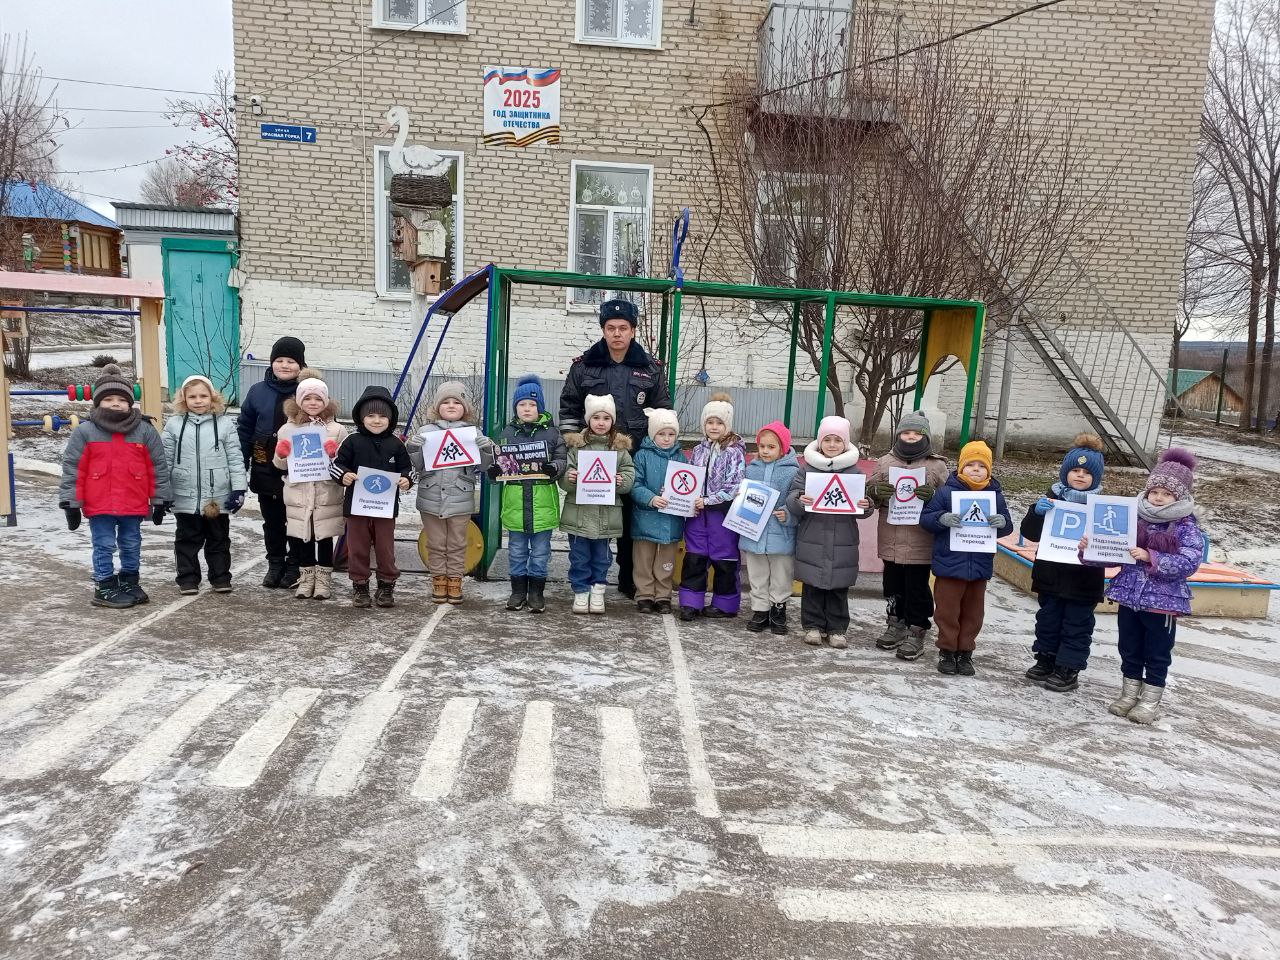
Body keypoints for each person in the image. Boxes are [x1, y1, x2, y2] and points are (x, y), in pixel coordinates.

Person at [1081, 448, 1205, 725]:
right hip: (1129, 596)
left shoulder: (1185, 527)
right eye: (1154, 492)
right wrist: (1090, 549)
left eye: (1167, 494)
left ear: (1179, 497)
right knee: (1129, 647)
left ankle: (1150, 701)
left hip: (1163, 602)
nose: (1159, 498)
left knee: (1157, 652)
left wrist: (1152, 556)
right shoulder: (1133, 519)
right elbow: (1112, 553)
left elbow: (1190, 561)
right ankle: (1129, 694)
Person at [559, 298, 671, 599]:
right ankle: (588, 580)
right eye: (611, 328)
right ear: (603, 330)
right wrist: (574, 447)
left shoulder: (650, 369)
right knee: (592, 516)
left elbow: (662, 412)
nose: (617, 333)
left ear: (633, 331)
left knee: (632, 516)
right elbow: (569, 408)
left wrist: (652, 453)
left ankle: (629, 578)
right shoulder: (584, 367)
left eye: (623, 328)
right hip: (591, 457)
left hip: (634, 457)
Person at [58, 363, 171, 608]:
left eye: (121, 399)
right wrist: (70, 502)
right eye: (108, 399)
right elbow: (73, 468)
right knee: (104, 544)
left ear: (130, 403)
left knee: (132, 543)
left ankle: (129, 580)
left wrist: (160, 499)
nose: (115, 403)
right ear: (98, 403)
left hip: (133, 503)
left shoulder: (144, 430)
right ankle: (104, 585)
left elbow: (157, 466)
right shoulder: (85, 432)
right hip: (100, 505)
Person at [1020, 433, 1107, 692]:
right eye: (1075, 470)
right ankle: (1046, 658)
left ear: (1096, 478)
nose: (1080, 475)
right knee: (1048, 619)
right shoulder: (1050, 499)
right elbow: (1030, 533)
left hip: (1084, 580)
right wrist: (1037, 514)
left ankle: (1068, 668)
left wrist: (1094, 544)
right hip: (1051, 575)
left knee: (1077, 625)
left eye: (1087, 472)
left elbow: (1111, 545)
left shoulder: (1103, 507)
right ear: (1065, 472)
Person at [920, 440, 1012, 676]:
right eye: (970, 464)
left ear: (989, 471)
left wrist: (1002, 523)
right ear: (961, 467)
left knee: (973, 613)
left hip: (979, 567)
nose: (976, 469)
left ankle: (966, 652)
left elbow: (1007, 525)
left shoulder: (995, 496)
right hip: (949, 565)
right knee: (947, 611)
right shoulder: (945, 492)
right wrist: (942, 518)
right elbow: (926, 518)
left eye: (981, 466)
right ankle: (947, 651)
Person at [866, 410, 949, 660]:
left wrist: (934, 498)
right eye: (906, 432)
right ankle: (895, 622)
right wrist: (875, 491)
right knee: (892, 584)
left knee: (916, 587)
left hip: (920, 539)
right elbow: (868, 494)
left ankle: (917, 628)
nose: (910, 437)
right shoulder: (885, 462)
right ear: (898, 434)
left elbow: (950, 500)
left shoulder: (937, 465)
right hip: (890, 536)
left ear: (926, 436)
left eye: (916, 433)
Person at [785, 416, 871, 648]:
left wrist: (866, 506)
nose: (832, 445)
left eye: (837, 440)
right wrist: (799, 500)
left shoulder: (853, 473)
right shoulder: (806, 470)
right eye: (827, 440)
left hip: (843, 540)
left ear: (845, 444)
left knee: (838, 589)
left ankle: (837, 628)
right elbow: (792, 498)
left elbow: (861, 509)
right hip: (812, 538)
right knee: (812, 587)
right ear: (820, 442)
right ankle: (812, 626)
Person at [408, 381, 494, 605]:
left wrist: (487, 450)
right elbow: (417, 465)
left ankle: (455, 580)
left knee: (457, 543)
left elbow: (483, 467)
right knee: (435, 542)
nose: (451, 405)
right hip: (430, 496)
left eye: (457, 401)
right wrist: (413, 449)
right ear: (437, 406)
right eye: (446, 401)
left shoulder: (472, 433)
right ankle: (438, 579)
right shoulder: (425, 432)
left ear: (466, 407)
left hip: (460, 497)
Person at [162, 374, 247, 595]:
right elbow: (164, 460)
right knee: (187, 540)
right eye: (192, 396)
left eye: (203, 395)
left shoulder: (225, 424)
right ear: (184, 399)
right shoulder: (173, 425)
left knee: (218, 540)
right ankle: (188, 578)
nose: (198, 400)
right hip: (184, 494)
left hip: (216, 497)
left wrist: (238, 488)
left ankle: (220, 577)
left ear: (212, 397)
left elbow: (236, 458)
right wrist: (163, 491)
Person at [332, 386, 414, 609]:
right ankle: (360, 585)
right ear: (361, 417)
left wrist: (407, 480)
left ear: (391, 419)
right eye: (371, 415)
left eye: (382, 416)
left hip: (385, 508)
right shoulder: (351, 441)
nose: (376, 421)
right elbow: (336, 464)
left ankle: (386, 584)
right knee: (357, 546)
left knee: (385, 548)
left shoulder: (396, 444)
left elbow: (408, 468)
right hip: (357, 507)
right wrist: (344, 475)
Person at [492, 374, 567, 613]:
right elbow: (498, 463)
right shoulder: (507, 433)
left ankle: (536, 592)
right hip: (515, 502)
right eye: (522, 404)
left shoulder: (553, 434)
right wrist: (494, 470)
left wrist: (553, 468)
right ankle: (517, 591)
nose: (527, 409)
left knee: (541, 552)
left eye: (532, 405)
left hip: (542, 501)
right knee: (516, 550)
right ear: (516, 408)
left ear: (540, 407)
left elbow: (562, 460)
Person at [271, 372, 348, 600]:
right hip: (299, 494)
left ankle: (323, 580)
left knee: (323, 537)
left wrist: (334, 454)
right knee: (301, 537)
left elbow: (343, 465)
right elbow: (280, 465)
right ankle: (306, 579)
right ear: (298, 401)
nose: (312, 403)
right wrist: (281, 454)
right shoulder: (287, 429)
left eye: (317, 399)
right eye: (307, 399)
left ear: (325, 401)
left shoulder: (336, 430)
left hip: (325, 493)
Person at [237, 336, 306, 589]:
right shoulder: (257, 391)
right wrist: (241, 461)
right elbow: (245, 429)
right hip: (265, 465)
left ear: (300, 365)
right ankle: (275, 563)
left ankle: (295, 564)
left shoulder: (307, 391)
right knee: (273, 520)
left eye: (291, 361)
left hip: (299, 469)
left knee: (297, 519)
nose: (285, 365)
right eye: (279, 360)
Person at [559, 394, 635, 615]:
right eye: (596, 418)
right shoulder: (576, 447)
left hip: (605, 515)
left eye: (606, 418)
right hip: (579, 514)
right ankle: (581, 591)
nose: (601, 422)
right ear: (587, 420)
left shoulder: (619, 449)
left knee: (602, 557)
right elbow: (565, 475)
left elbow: (629, 474)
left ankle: (598, 590)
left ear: (612, 421)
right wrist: (570, 478)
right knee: (579, 556)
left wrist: (622, 481)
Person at [678, 393, 747, 620]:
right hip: (697, 516)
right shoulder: (698, 450)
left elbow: (733, 485)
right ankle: (690, 602)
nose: (714, 427)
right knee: (695, 559)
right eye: (710, 422)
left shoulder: (734, 452)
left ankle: (725, 604)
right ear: (704, 424)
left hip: (722, 516)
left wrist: (708, 500)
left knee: (724, 560)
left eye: (719, 423)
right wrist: (680, 494)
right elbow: (688, 479)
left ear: (727, 425)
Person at [738, 420, 799, 635]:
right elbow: (743, 495)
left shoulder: (793, 472)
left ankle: (779, 608)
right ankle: (760, 610)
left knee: (781, 574)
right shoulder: (751, 469)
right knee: (757, 574)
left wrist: (789, 514)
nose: (765, 451)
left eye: (771, 447)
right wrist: (740, 499)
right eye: (762, 446)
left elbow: (798, 500)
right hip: (754, 533)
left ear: (783, 447)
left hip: (780, 533)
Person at [629, 407, 687, 614]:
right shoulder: (642, 456)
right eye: (661, 434)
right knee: (643, 561)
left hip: (671, 520)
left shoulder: (681, 458)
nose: (666, 438)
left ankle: (663, 595)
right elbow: (635, 484)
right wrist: (651, 498)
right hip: (645, 518)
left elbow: (687, 485)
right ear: (653, 434)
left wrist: (678, 495)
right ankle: (644, 594)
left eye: (671, 434)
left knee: (666, 562)